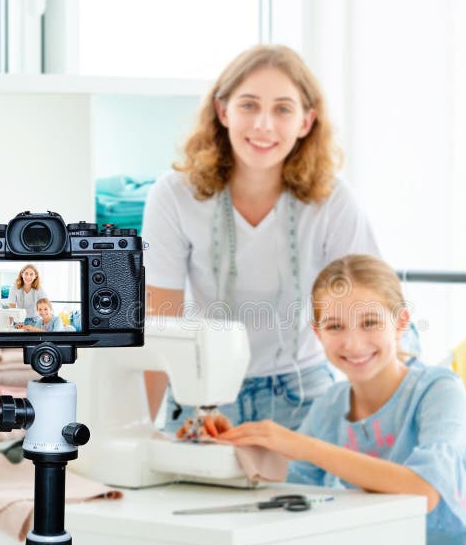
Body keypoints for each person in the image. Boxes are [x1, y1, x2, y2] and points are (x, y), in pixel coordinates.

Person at [186, 254, 466, 545]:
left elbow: (424, 492)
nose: (354, 344)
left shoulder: (440, 391)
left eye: (370, 323)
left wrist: (305, 446)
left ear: (400, 323)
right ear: (318, 334)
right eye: (335, 326)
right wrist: (230, 443)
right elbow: (291, 486)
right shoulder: (332, 404)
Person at [142, 44, 381, 432]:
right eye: (249, 105)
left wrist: (423, 408)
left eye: (283, 109)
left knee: (313, 493)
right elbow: (159, 323)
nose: (263, 125)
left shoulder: (333, 201)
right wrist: (138, 432)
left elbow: (373, 311)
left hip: (303, 391)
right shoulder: (173, 195)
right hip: (202, 391)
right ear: (223, 111)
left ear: (306, 121)